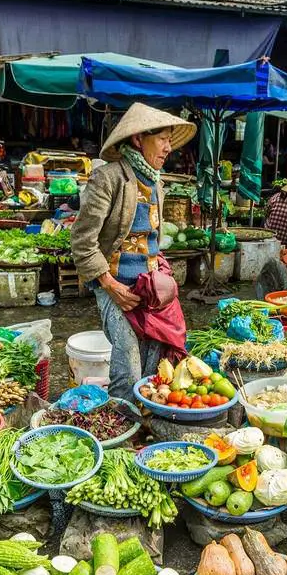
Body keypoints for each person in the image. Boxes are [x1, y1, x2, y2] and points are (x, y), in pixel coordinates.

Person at [71, 103, 197, 402]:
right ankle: (122, 423)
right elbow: (82, 240)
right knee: (128, 361)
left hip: (148, 288)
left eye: (170, 140)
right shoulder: (109, 178)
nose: (168, 148)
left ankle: (147, 418)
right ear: (139, 139)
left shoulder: (156, 182)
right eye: (162, 139)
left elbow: (152, 238)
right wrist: (109, 285)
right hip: (115, 286)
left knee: (155, 362)